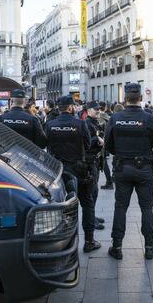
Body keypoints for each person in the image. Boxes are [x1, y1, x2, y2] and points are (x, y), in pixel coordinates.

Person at [105, 83, 153, 260]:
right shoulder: (150, 119)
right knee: (146, 207)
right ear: (140, 98)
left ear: (125, 98)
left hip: (122, 168)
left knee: (120, 207)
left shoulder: (115, 118)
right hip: (145, 169)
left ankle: (117, 247)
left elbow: (108, 145)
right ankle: (149, 247)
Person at [45, 95, 101, 252]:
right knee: (87, 204)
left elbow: (46, 144)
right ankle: (89, 241)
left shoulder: (50, 124)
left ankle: (66, 243)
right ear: (70, 107)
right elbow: (88, 144)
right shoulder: (80, 124)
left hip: (60, 172)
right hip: (80, 170)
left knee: (64, 208)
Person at [85, 101, 106, 230]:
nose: (98, 111)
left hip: (96, 160)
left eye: (99, 109)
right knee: (92, 191)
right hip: (90, 160)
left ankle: (92, 216)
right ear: (88, 110)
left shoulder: (95, 122)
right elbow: (86, 142)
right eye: (95, 109)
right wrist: (97, 141)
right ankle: (90, 219)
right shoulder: (87, 123)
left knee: (94, 190)